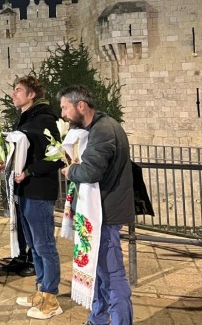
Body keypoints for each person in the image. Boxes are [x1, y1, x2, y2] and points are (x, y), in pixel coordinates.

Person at [59, 86, 134, 325]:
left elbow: (91, 171)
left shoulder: (103, 130)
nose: (63, 114)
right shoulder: (95, 128)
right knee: (97, 271)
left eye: (65, 108)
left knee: (111, 275)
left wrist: (71, 170)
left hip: (105, 214)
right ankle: (98, 318)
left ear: (81, 106)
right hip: (98, 211)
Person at [10, 76, 64, 319]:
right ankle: (41, 290)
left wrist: (29, 171)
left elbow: (57, 156)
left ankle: (51, 299)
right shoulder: (25, 119)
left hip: (39, 191)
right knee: (33, 245)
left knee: (44, 245)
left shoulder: (44, 119)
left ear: (31, 95)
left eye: (18, 90)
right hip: (24, 190)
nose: (14, 94)